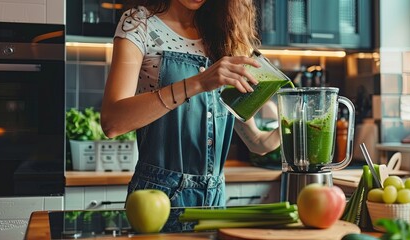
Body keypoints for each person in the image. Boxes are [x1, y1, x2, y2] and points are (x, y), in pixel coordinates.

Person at [101, 0, 280, 208]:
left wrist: (293, 125)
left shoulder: (227, 36)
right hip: (156, 200)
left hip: (214, 202)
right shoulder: (140, 24)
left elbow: (257, 142)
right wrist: (199, 83)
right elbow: (112, 122)